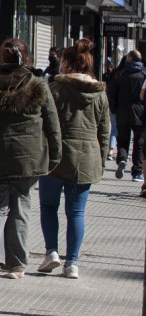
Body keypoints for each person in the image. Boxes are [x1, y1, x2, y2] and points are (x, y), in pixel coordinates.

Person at [0, 39, 62, 282]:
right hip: (27, 160)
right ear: (27, 57)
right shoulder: (38, 85)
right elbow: (52, 123)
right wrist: (55, 156)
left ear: (0, 58)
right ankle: (17, 266)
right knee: (20, 208)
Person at [39, 39, 109, 280]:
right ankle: (73, 263)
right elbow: (104, 131)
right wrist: (100, 161)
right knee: (76, 212)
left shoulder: (54, 89)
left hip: (55, 158)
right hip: (86, 159)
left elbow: (44, 123)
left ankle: (52, 252)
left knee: (49, 206)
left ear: (66, 64)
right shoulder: (99, 93)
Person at [108, 50, 146, 182]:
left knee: (123, 139)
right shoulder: (143, 75)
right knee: (139, 143)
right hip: (140, 114)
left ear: (128, 60)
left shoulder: (119, 75)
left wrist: (114, 109)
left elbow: (111, 93)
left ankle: (122, 159)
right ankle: (137, 172)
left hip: (122, 112)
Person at [105, 57, 127, 160]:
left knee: (114, 129)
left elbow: (110, 91)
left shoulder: (115, 73)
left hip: (113, 106)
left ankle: (111, 150)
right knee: (124, 130)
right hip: (124, 108)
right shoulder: (127, 75)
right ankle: (123, 153)